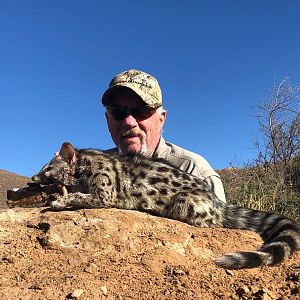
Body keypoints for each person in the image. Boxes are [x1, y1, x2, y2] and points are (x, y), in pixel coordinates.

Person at [101, 69, 226, 202]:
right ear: (108, 120)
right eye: (117, 112)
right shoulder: (91, 169)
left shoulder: (194, 171)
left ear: (161, 120)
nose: (128, 122)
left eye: (141, 111)